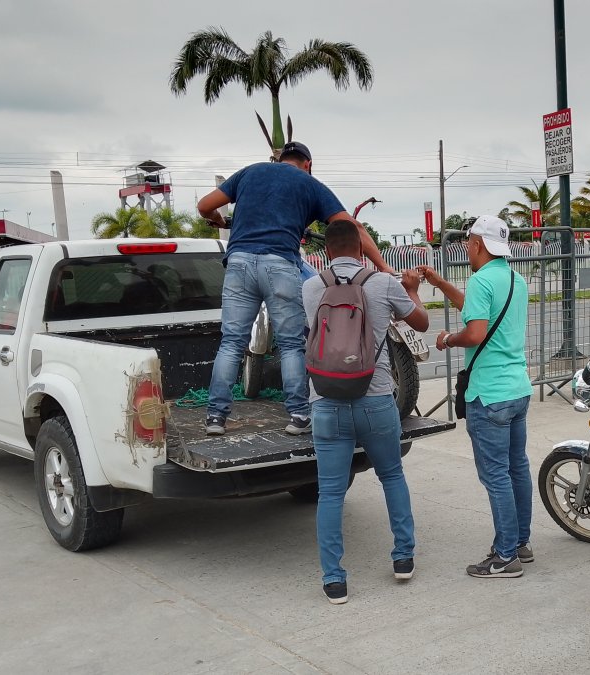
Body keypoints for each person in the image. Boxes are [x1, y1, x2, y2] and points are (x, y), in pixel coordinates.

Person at [197, 142, 393, 437]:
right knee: (290, 344)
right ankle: (299, 415)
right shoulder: (309, 183)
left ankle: (215, 417)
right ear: (308, 164)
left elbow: (204, 206)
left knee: (231, 342)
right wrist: (384, 267)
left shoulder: (249, 173)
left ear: (280, 159)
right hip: (280, 264)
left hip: (238, 263)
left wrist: (218, 221)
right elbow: (353, 228)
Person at [302, 219, 429, 604]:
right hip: (375, 400)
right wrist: (412, 290)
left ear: (327, 252)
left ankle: (334, 579)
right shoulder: (382, 283)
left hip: (325, 401)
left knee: (330, 493)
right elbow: (420, 324)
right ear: (361, 250)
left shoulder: (310, 287)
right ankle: (403, 559)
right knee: (392, 475)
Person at [417, 215, 533, 579]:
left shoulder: (482, 279)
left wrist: (448, 339)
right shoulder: (515, 279)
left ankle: (503, 557)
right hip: (517, 389)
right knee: (517, 468)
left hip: (489, 394)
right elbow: (476, 306)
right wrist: (439, 282)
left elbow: (476, 331)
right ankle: (520, 544)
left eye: (468, 241)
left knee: (495, 475)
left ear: (478, 244)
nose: (466, 247)